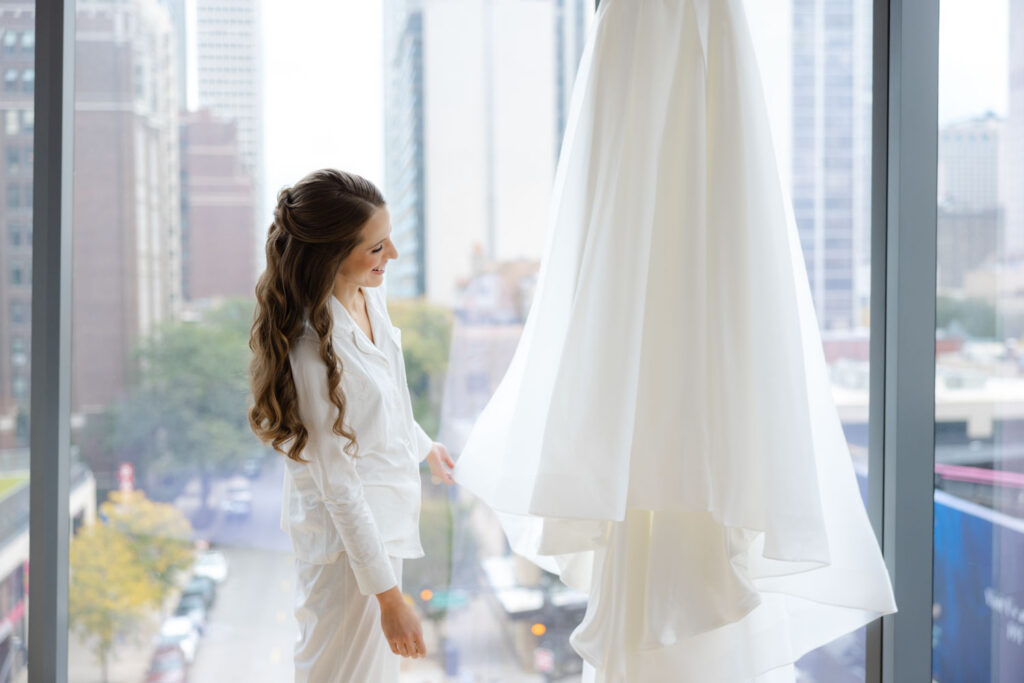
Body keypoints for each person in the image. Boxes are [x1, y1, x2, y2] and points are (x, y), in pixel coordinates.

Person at [247, 168, 456, 682]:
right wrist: (389, 600)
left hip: (382, 532)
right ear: (333, 255)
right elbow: (338, 485)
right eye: (378, 247)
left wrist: (424, 445)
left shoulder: (368, 300)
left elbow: (381, 401)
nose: (394, 257)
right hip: (348, 556)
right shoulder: (307, 346)